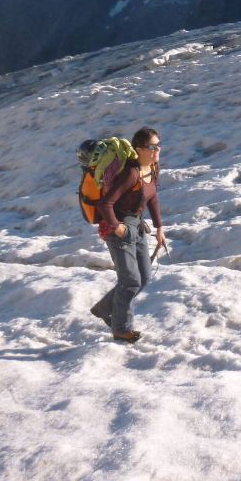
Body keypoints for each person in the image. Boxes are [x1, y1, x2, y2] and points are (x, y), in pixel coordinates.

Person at [89, 126, 166, 342]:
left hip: (138, 227)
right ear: (139, 149)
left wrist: (159, 227)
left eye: (158, 145)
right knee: (130, 280)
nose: (157, 150)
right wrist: (117, 226)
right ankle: (121, 329)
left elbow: (152, 198)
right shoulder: (131, 173)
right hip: (119, 231)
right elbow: (106, 204)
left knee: (144, 277)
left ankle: (104, 309)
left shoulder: (152, 168)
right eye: (152, 146)